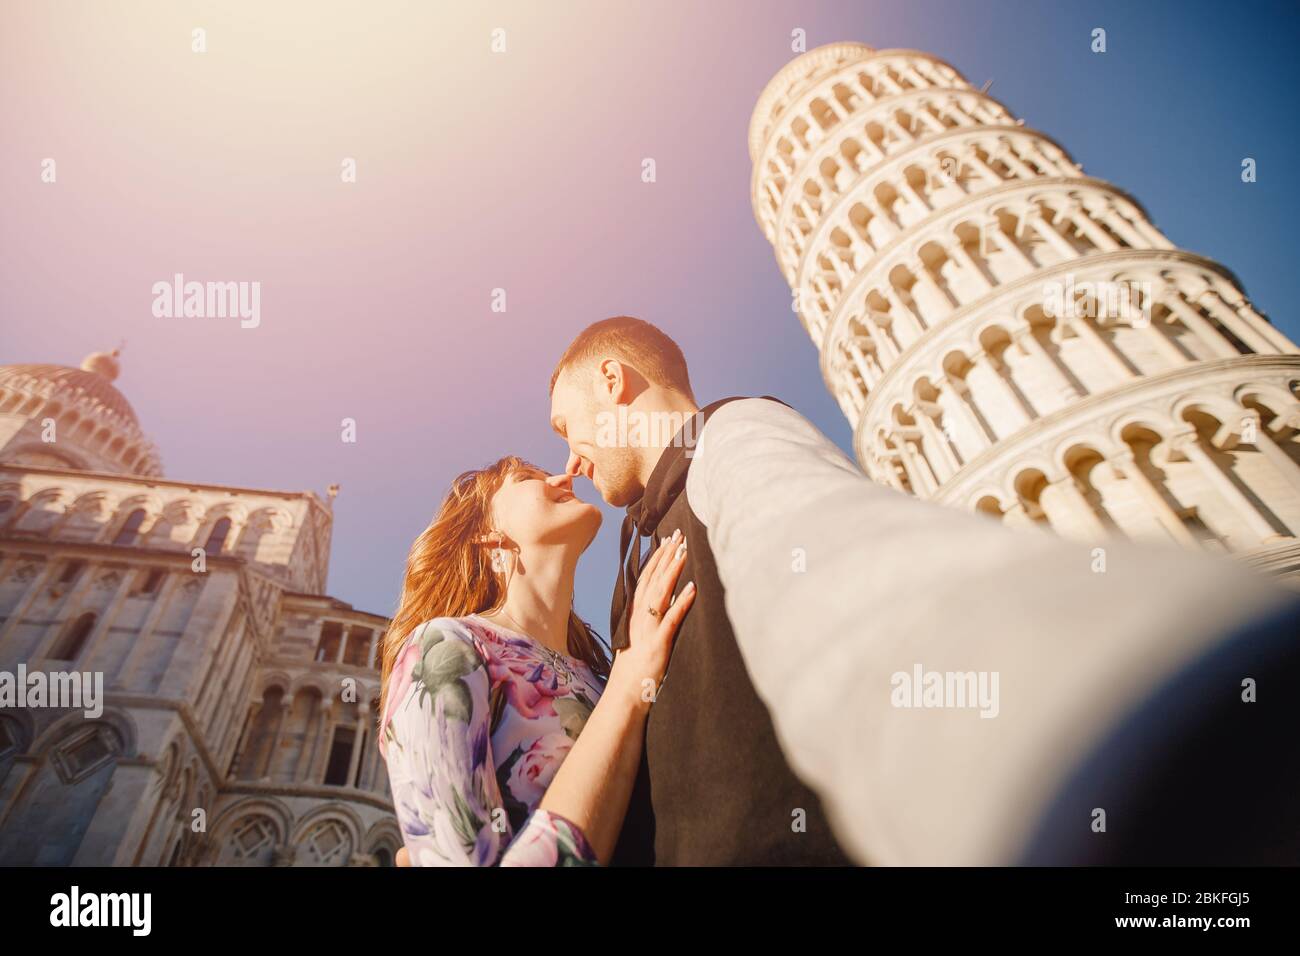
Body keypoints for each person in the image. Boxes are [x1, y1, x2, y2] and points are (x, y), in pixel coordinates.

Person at [546, 315, 1300, 865]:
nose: (569, 460)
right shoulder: (633, 549)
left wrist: (1076, 720)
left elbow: (834, 559)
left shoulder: (733, 439)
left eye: (564, 426)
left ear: (613, 381)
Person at [377, 456, 695, 865]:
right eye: (529, 478)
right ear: (488, 537)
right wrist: (629, 688)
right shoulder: (444, 647)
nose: (566, 477)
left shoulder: (601, 678)